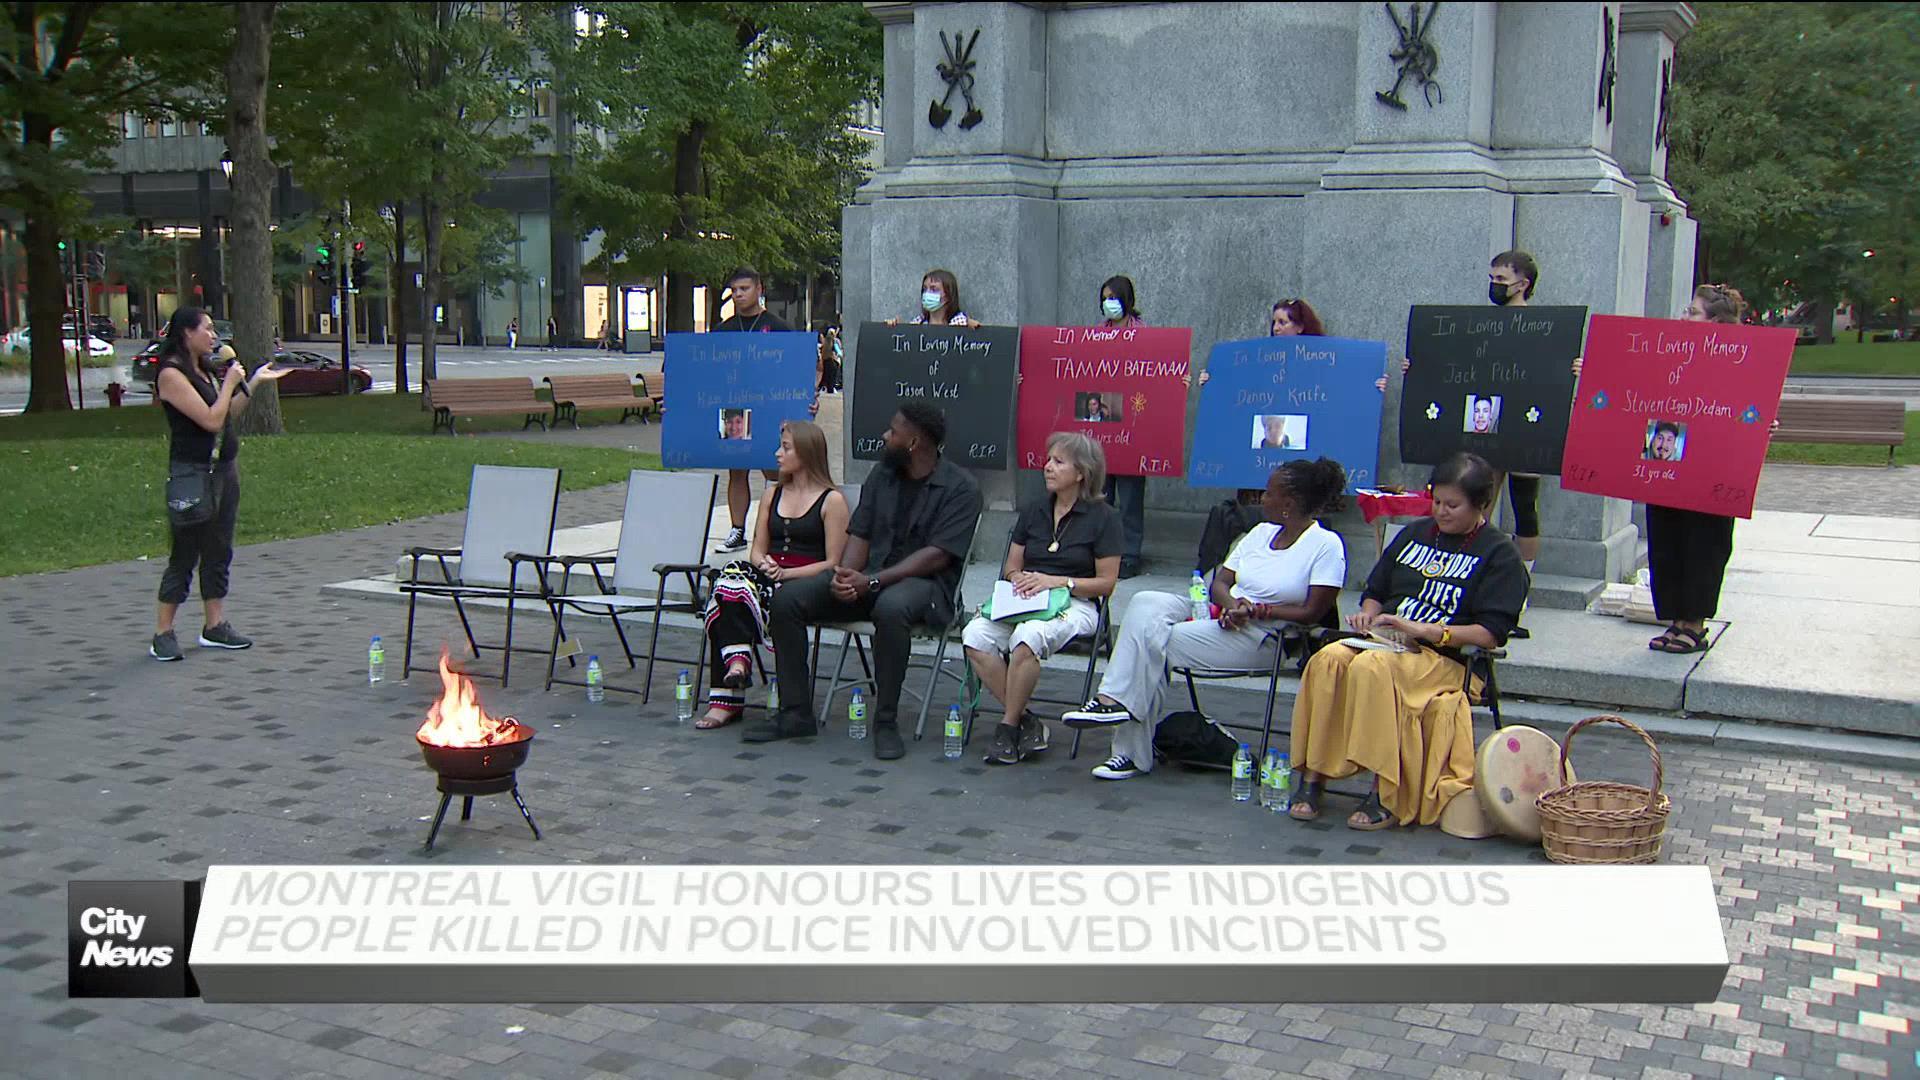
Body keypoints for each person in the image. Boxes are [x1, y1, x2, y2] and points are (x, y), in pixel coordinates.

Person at [1063, 459, 1350, 779]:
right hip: (1224, 619)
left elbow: (1313, 611)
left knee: (1149, 642)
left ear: (1289, 504)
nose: (1261, 498)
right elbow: (1220, 584)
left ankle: (1126, 742)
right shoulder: (1259, 533)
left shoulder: (1325, 545)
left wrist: (1258, 610)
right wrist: (1231, 605)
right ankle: (1115, 704)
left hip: (1266, 637)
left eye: (1269, 493)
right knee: (1146, 603)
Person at [1288, 452, 1529, 829]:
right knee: (1328, 659)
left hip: (1445, 656)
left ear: (1482, 504)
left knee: (1372, 667)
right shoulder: (1414, 534)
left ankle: (1384, 791)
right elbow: (1377, 589)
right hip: (1388, 640)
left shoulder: (1500, 554)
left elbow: (1491, 633)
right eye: (1436, 502)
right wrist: (1369, 613)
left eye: (1453, 505)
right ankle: (1313, 776)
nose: (1442, 512)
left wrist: (1428, 631)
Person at [748, 402, 982, 757]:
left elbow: (937, 555)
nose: (885, 437)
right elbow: (860, 534)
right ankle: (795, 713)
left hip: (929, 589)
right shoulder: (883, 476)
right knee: (788, 599)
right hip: (868, 580)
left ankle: (885, 721)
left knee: (891, 606)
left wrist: (871, 582)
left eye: (893, 431)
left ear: (914, 442)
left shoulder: (961, 488)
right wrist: (844, 575)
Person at [1378, 251, 1578, 584]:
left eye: (1501, 279)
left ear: (1522, 284)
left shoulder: (1545, 328)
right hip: (1484, 425)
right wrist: (1419, 369)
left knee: (1525, 508)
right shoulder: (1479, 326)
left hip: (1524, 426)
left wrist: (1573, 370)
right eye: (1491, 279)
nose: (1495, 285)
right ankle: (1465, 578)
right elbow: (1450, 366)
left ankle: (1520, 588)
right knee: (1476, 502)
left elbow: (1553, 371)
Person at [963, 433, 1123, 765]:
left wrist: (1057, 582)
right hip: (1028, 598)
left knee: (1027, 637)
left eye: (1058, 462)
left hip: (1076, 601)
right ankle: (1027, 720)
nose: (1047, 467)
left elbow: (1106, 584)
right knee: (974, 635)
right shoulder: (1036, 509)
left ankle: (1008, 727)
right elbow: (1011, 565)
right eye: (1048, 459)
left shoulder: (1104, 518)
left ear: (1081, 473)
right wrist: (1016, 577)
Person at [149, 307, 291, 661]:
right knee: (185, 552)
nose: (214, 336)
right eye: (207, 329)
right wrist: (228, 382)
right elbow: (211, 421)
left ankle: (214, 625)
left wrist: (254, 381)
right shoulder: (171, 374)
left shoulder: (204, 370)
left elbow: (228, 413)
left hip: (222, 471)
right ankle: (163, 633)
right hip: (191, 474)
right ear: (186, 333)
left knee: (218, 549)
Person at [697, 421, 849, 729]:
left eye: (786, 448)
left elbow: (833, 562)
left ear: (806, 453)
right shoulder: (772, 495)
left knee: (730, 594)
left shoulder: (832, 501)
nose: (778, 454)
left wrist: (788, 573)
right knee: (727, 584)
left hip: (805, 583)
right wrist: (765, 564)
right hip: (766, 577)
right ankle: (737, 662)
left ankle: (727, 694)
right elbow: (756, 550)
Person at [1646, 284, 1770, 654]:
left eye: (1693, 312)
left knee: (1703, 542)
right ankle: (1674, 618)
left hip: (1712, 466)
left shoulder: (1740, 360)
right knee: (1667, 540)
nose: (1684, 317)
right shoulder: (1668, 353)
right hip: (1669, 460)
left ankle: (1694, 622)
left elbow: (1752, 404)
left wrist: (1763, 422)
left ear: (1715, 321)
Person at [712, 266, 811, 552]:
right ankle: (737, 530)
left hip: (771, 409)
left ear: (759, 289)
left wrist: (805, 399)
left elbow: (798, 367)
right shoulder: (724, 330)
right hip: (735, 408)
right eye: (734, 290)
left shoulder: (778, 327)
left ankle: (776, 529)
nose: (739, 294)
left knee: (775, 471)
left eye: (744, 288)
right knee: (737, 471)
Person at [1097, 276, 1148, 577]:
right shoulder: (1095, 334)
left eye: (1114, 297)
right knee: (1100, 496)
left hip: (1132, 424)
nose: (1109, 303)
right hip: (1102, 421)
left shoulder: (1144, 335)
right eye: (1104, 297)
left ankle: (1130, 554)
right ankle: (1103, 552)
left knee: (1130, 498)